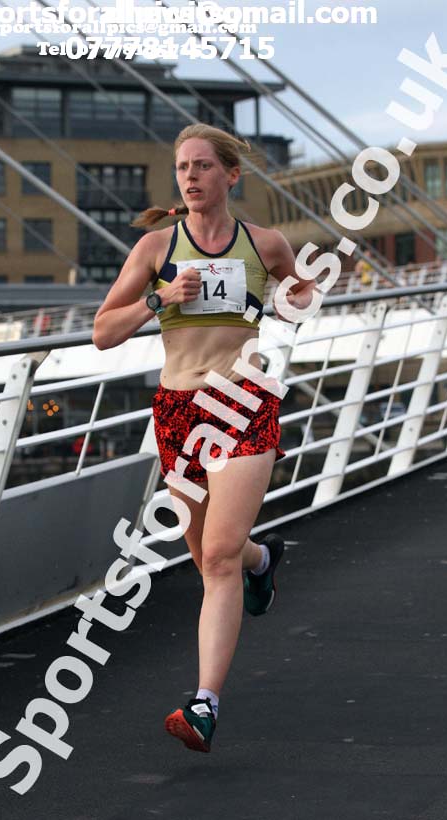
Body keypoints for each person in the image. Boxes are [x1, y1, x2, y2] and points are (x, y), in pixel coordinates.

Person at [92, 123, 315, 753]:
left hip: (242, 404)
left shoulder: (264, 243)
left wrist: (303, 290)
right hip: (177, 412)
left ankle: (204, 704)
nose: (190, 177)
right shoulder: (157, 248)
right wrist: (160, 301)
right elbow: (103, 333)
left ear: (230, 176)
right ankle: (262, 561)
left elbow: (298, 296)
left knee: (215, 556)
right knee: (210, 558)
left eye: (203, 167)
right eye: (183, 168)